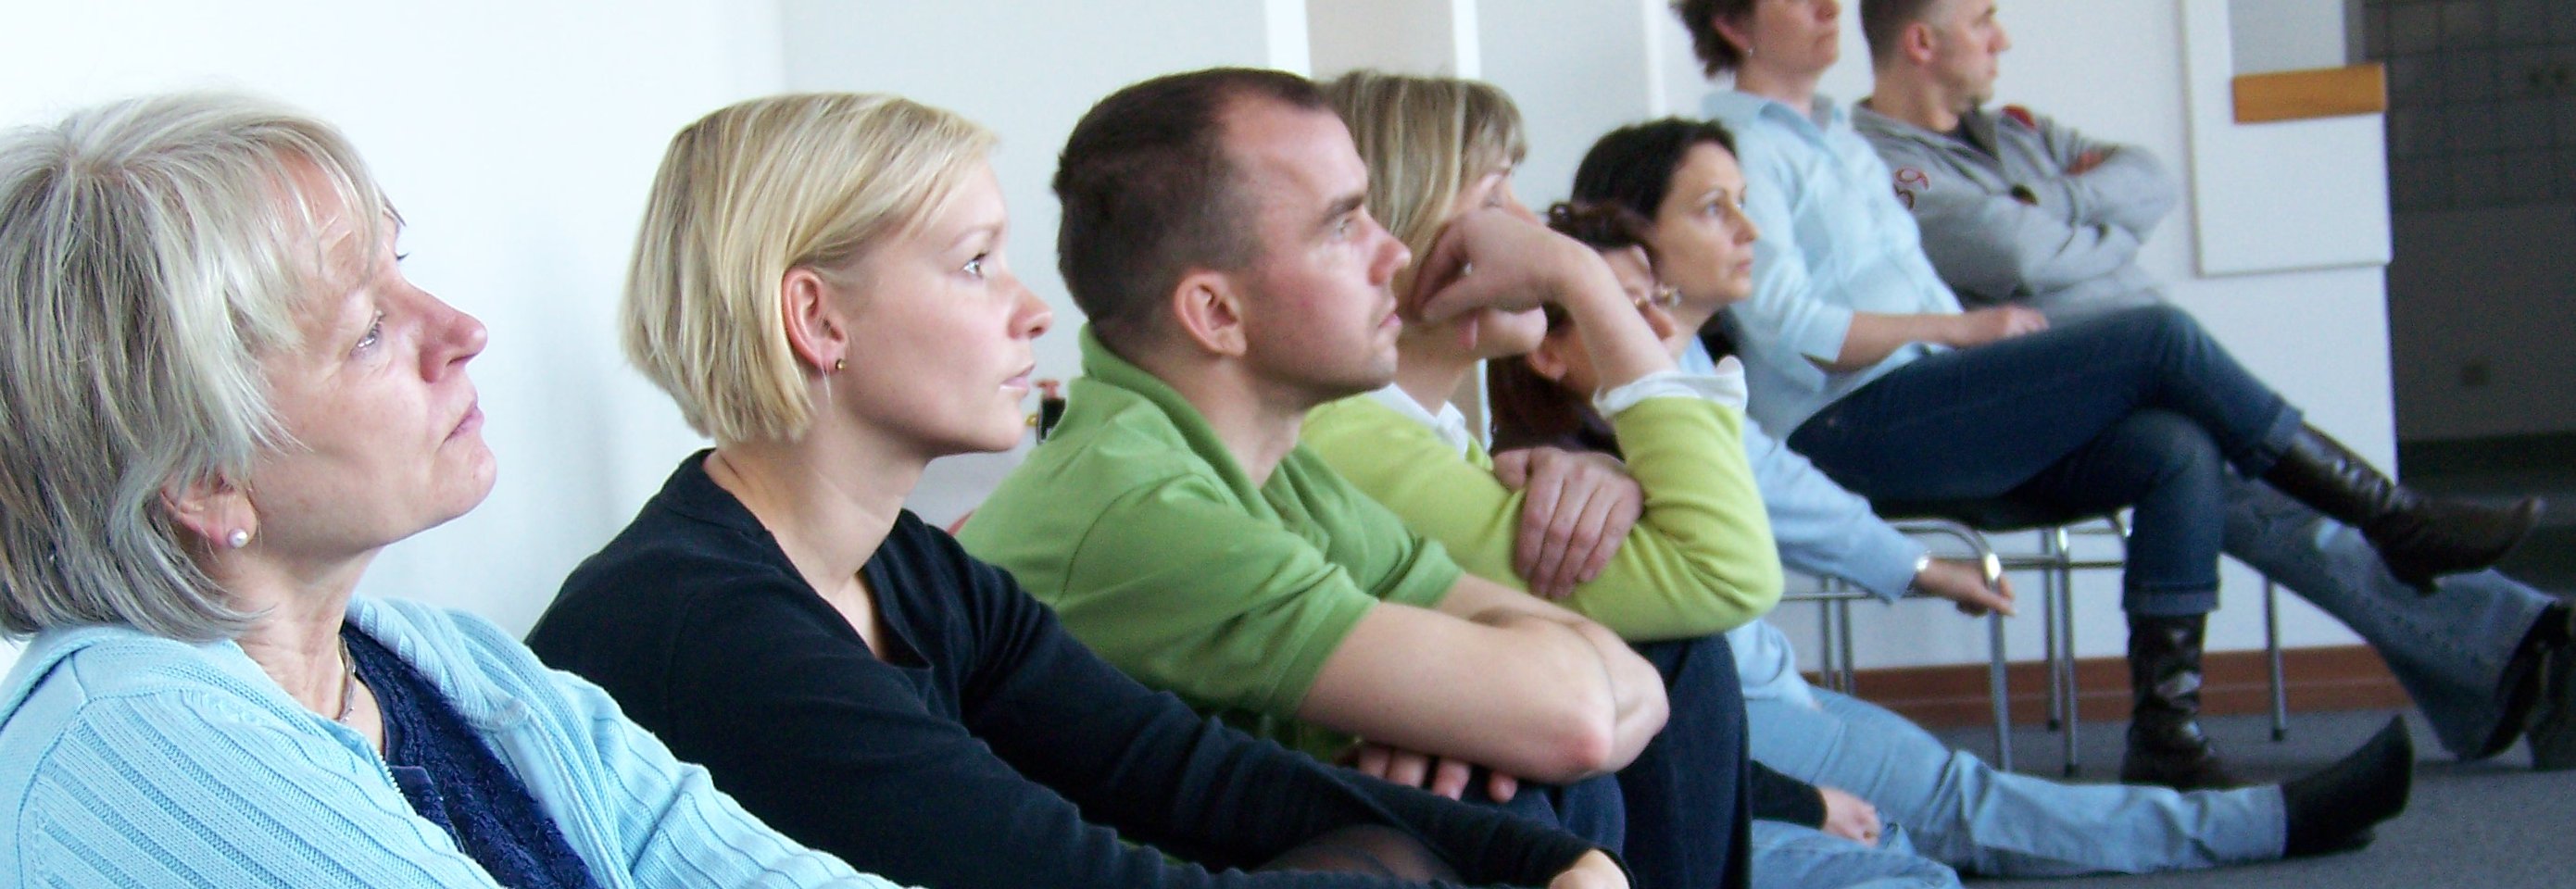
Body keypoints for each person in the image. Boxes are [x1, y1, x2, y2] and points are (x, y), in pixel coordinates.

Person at [1298, 76, 2409, 885]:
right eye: (1500, 196)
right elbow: (1721, 574)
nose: (1535, 231)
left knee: (2167, 444)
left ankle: (2260, 799)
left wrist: (1613, 476)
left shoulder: (1449, 435)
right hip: (1617, 785)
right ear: (1405, 232)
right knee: (1931, 844)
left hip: (1674, 750)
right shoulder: (1378, 441)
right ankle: (2284, 764)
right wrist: (1588, 285)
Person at [524, 92, 1622, 889]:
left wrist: (1553, 861)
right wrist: (1436, 867)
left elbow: (1190, 774)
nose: (1032, 310)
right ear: (818, 320)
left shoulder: (903, 567)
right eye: (974, 264)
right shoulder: (706, 627)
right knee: (1394, 855)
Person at [0, 93, 910, 888]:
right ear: (205, 481)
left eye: (402, 265)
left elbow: (710, 849)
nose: (462, 331)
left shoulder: (439, 663)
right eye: (366, 332)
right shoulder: (140, 751)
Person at [1665, 0, 2542, 790]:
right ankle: (2395, 519)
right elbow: (1784, 325)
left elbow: (2130, 185)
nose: (1827, 6)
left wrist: (1965, 335)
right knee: (2159, 341)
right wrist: (1966, 332)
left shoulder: (1839, 140)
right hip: (1846, 422)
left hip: (1930, 397)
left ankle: (2167, 729)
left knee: (2172, 446)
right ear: (1735, 26)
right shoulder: (1737, 147)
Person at [957, 68, 1756, 889]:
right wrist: (1510, 710)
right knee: (1504, 786)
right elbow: (1585, 717)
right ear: (1218, 315)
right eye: (1343, 226)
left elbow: (1625, 680)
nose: (1395, 253)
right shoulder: (1142, 503)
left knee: (1521, 761)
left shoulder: (1282, 473)